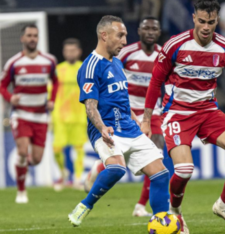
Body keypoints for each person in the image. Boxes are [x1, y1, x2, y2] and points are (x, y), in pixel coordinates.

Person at [141, 0, 225, 232]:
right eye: (203, 21)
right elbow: (156, 81)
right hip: (177, 113)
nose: (207, 27)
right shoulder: (175, 45)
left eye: (212, 22)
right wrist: (147, 119)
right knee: (184, 170)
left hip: (208, 111)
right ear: (194, 18)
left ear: (217, 21)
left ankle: (223, 206)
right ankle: (176, 212)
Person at [68, 15, 170, 227]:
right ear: (104, 35)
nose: (125, 41)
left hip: (130, 127)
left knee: (160, 174)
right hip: (107, 130)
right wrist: (102, 128)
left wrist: (140, 123)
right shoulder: (90, 66)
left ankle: (162, 223)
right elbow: (90, 106)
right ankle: (85, 205)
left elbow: (123, 101)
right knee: (117, 169)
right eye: (120, 35)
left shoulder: (116, 63)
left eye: (125, 35)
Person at [0, 24, 58, 204]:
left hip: (41, 116)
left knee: (37, 160)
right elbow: (2, 85)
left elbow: (56, 82)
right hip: (21, 114)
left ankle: (22, 165)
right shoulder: (14, 63)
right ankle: (21, 191)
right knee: (23, 151)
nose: (33, 38)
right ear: (22, 39)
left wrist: (52, 100)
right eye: (29, 35)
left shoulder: (48, 61)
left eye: (35, 35)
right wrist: (10, 98)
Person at [52, 38, 86, 191]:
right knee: (57, 149)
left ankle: (78, 179)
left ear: (79, 52)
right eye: (67, 50)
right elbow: (50, 90)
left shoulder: (85, 68)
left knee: (79, 149)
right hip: (60, 115)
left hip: (79, 116)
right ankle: (63, 173)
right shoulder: (58, 70)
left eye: (73, 50)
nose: (70, 53)